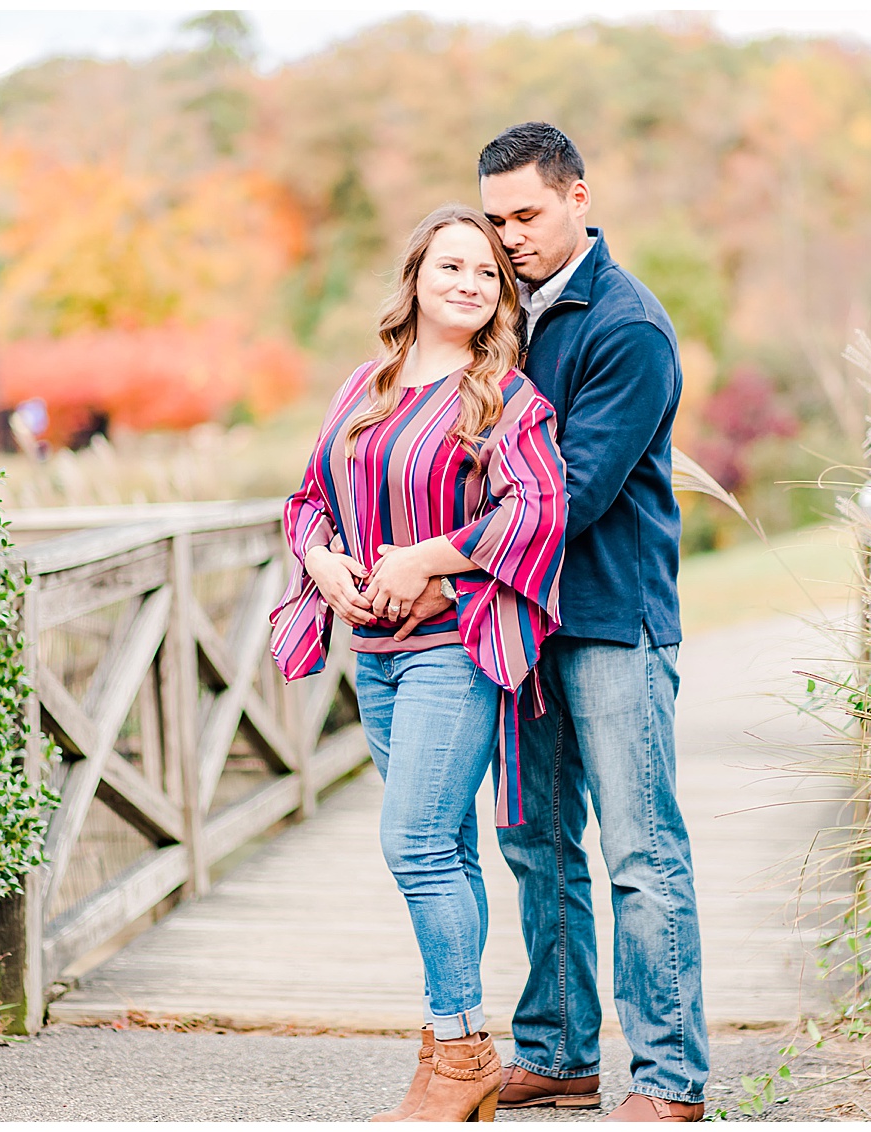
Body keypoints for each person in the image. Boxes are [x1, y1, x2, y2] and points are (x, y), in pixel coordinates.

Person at [393, 122, 708, 1122]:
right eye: (495, 219)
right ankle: (561, 1053)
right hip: (521, 629)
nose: (510, 236)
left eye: (526, 215)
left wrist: (437, 562)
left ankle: (667, 1079)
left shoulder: (628, 327)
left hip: (613, 623)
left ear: (580, 198)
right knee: (534, 844)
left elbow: (566, 496)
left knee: (641, 855)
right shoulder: (510, 320)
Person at [270, 204, 567, 1123]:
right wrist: (324, 564)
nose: (470, 283)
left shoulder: (504, 397)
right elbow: (310, 496)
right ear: (416, 277)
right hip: (375, 656)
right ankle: (453, 1048)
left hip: (452, 651)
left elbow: (538, 511)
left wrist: (425, 561)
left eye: (487, 272)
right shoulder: (366, 384)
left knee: (413, 845)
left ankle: (463, 1047)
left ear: (500, 294)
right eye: (452, 266)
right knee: (447, 852)